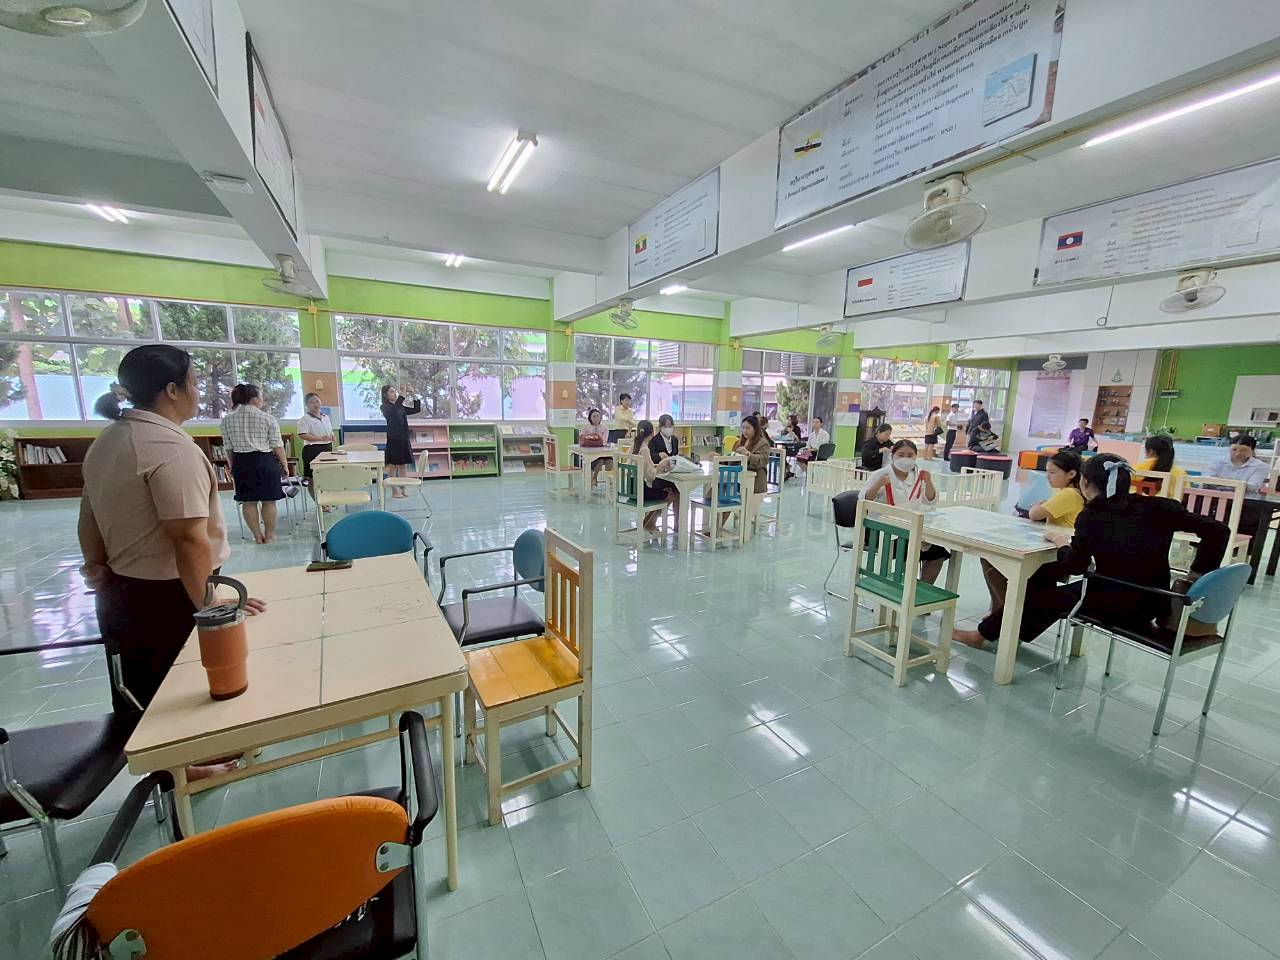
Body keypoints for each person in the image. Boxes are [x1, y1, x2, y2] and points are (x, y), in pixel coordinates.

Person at [79, 345, 265, 778]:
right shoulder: (167, 446)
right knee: (175, 680)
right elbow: (187, 538)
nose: (198, 391)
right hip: (166, 592)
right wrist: (210, 606)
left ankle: (171, 763)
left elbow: (88, 514)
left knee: (139, 682)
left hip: (123, 587)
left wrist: (96, 565)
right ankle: (187, 767)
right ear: (172, 391)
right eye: (194, 383)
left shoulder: (108, 440)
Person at [954, 454, 1229, 649]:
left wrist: (1061, 543)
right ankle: (1010, 631)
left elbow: (1074, 566)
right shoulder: (1160, 506)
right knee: (1042, 576)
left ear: (1084, 483)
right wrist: (1198, 575)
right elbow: (1219, 531)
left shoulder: (1094, 515)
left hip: (1113, 602)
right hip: (1156, 600)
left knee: (1042, 595)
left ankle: (981, 635)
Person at [984, 450, 1084, 613]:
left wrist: (1037, 506)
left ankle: (1010, 616)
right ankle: (999, 611)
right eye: (1047, 472)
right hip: (1051, 546)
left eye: (1053, 472)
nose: (1048, 477)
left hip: (1053, 554)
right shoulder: (1067, 492)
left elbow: (1035, 514)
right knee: (988, 559)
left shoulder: (1068, 493)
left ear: (1071, 474)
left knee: (995, 571)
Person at [860, 439, 950, 583]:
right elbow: (864, 500)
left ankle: (921, 589)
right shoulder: (881, 474)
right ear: (893, 456)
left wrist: (928, 482)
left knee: (938, 553)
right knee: (910, 551)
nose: (905, 459)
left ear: (915, 457)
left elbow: (930, 500)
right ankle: (902, 587)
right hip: (884, 530)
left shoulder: (917, 475)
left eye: (910, 455)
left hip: (912, 526)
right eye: (901, 455)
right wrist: (879, 484)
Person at [222, 383, 288, 544]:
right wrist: (285, 465)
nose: (262, 400)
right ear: (254, 399)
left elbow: (228, 448)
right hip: (264, 461)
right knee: (269, 501)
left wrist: (233, 467)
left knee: (248, 502)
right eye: (261, 397)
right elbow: (277, 445)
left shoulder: (227, 419)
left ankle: (257, 536)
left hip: (241, 462)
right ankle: (269, 535)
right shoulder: (267, 418)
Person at [1209, 433, 1271, 534]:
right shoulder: (1218, 461)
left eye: (1243, 450)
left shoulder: (1261, 466)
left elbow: (1252, 486)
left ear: (1252, 450)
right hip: (1218, 500)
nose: (1238, 453)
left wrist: (1221, 483)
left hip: (1246, 504)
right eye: (1234, 449)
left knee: (1246, 524)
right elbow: (1208, 480)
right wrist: (1237, 485)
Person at [632, 419, 675, 535]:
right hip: (640, 491)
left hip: (630, 488)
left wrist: (654, 466)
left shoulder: (634, 445)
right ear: (651, 433)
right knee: (670, 495)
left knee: (664, 491)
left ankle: (647, 523)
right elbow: (650, 476)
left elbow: (643, 466)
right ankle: (650, 524)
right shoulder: (645, 449)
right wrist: (661, 466)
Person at [381, 384, 421, 497]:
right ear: (385, 395)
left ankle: (403, 489)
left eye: (395, 391)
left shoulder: (400, 407)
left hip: (403, 439)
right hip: (394, 440)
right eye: (391, 392)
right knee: (393, 466)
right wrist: (402, 394)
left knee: (403, 466)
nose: (395, 393)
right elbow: (394, 411)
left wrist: (413, 394)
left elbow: (416, 409)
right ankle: (394, 491)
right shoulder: (385, 407)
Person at [296, 392, 335, 502]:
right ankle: (318, 502)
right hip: (312, 450)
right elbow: (302, 435)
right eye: (311, 402)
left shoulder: (326, 417)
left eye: (317, 401)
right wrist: (320, 438)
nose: (315, 404)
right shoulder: (305, 419)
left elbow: (330, 430)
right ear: (307, 405)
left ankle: (326, 500)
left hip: (327, 448)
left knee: (326, 476)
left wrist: (332, 436)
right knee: (313, 478)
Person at [1133, 434, 1187, 498]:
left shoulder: (1137, 468)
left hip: (1140, 503)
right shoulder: (1181, 472)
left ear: (1151, 451)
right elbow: (1185, 494)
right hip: (1170, 504)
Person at [580, 408, 612, 486]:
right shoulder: (586, 428)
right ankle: (594, 478)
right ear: (590, 418)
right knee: (600, 461)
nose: (596, 418)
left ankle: (609, 481)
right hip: (591, 453)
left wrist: (597, 437)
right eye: (594, 416)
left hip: (603, 452)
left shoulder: (604, 428)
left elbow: (604, 440)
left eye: (598, 416)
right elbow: (582, 439)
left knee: (610, 461)